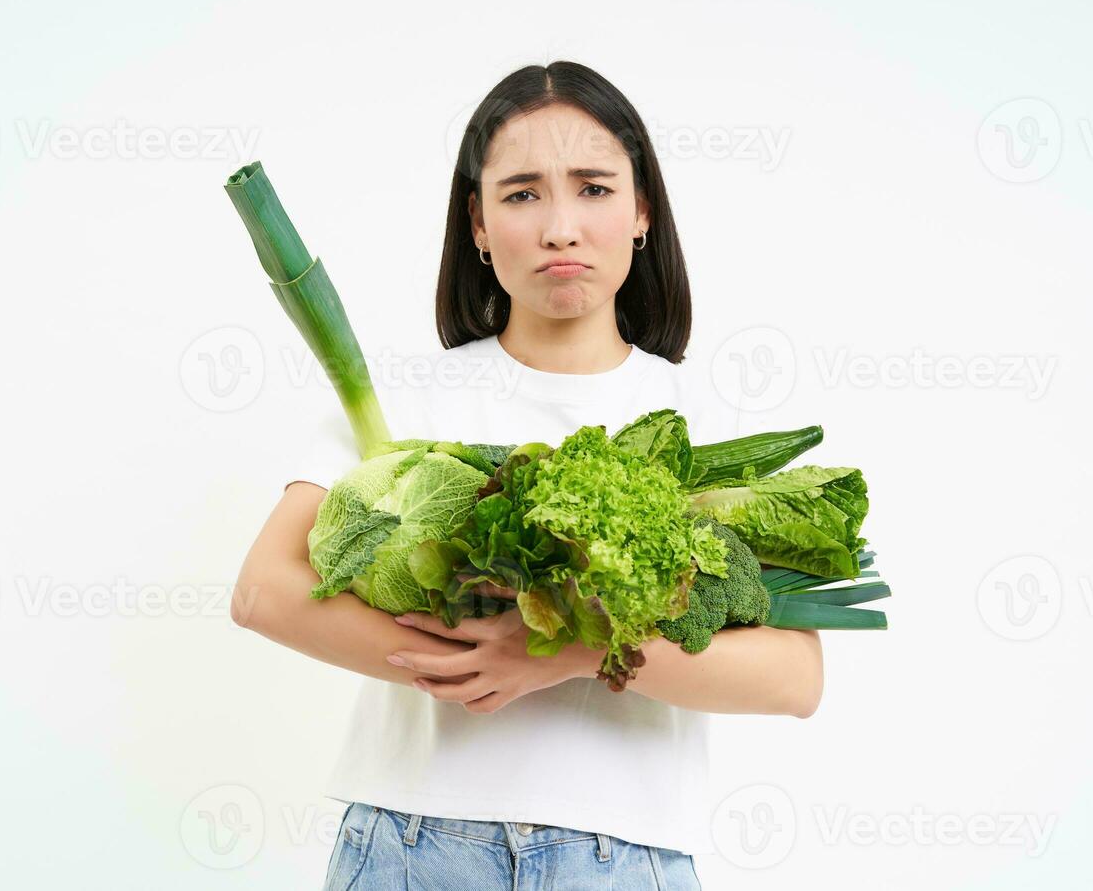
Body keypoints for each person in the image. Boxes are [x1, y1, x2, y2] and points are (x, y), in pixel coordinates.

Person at [232, 61, 824, 890]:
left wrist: (569, 651)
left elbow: (795, 676)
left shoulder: (707, 424)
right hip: (411, 847)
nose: (559, 227)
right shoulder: (401, 399)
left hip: (623, 862)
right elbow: (264, 590)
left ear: (643, 208)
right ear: (476, 224)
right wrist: (480, 660)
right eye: (520, 194)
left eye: (592, 188)